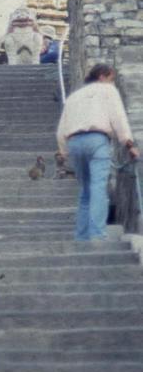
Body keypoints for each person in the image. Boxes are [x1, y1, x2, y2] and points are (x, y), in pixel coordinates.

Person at [57, 63, 140, 242]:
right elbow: (118, 117)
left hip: (74, 142)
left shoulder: (74, 97)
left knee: (85, 191)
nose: (112, 83)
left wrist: (63, 151)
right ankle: (97, 235)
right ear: (103, 76)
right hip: (96, 140)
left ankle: (81, 236)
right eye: (111, 79)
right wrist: (129, 143)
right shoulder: (107, 91)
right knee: (98, 188)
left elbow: (62, 126)